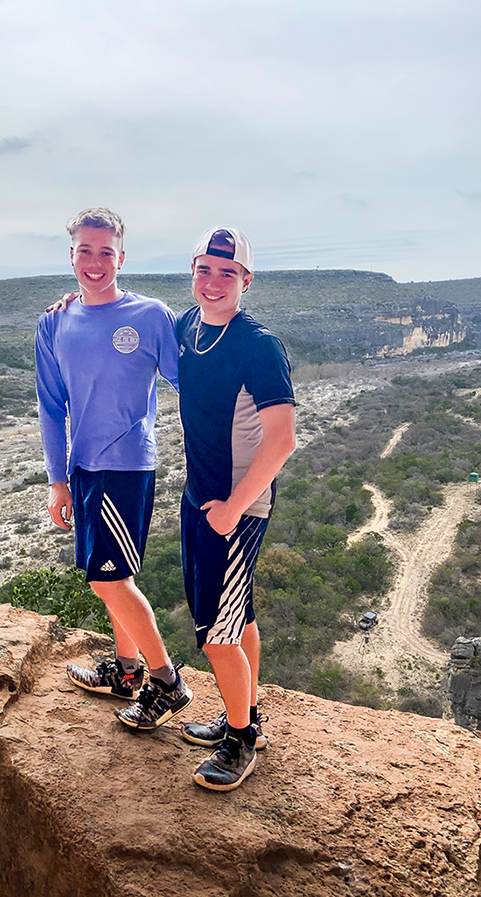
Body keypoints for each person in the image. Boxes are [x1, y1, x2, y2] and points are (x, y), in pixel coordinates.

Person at [34, 207, 192, 731]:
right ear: (71, 255)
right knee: (109, 576)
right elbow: (51, 406)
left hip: (126, 466)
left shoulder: (150, 316)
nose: (95, 261)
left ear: (121, 256)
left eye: (106, 251)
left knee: (110, 580)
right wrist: (57, 479)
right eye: (85, 250)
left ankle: (166, 682)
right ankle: (125, 672)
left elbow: (187, 383)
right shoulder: (54, 321)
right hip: (82, 468)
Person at [177, 226, 296, 792]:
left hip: (235, 507)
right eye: (205, 269)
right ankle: (243, 715)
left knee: (216, 636)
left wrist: (231, 509)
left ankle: (241, 740)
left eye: (227, 273)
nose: (214, 281)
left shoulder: (258, 344)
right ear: (194, 272)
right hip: (199, 498)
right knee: (238, 617)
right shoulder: (187, 327)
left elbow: (282, 439)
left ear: (246, 280)